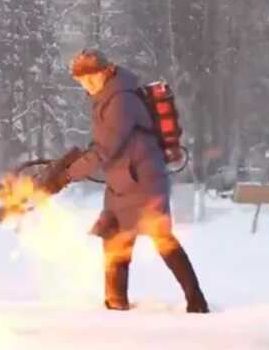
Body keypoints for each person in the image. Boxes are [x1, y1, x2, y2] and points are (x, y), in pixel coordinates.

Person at [45, 49, 209, 313]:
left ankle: (196, 300)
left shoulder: (121, 99)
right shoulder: (105, 99)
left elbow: (105, 149)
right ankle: (116, 303)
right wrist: (63, 167)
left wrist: (64, 177)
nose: (87, 85)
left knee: (161, 237)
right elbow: (101, 144)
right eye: (81, 81)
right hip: (121, 182)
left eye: (91, 78)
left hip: (144, 181)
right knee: (113, 237)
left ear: (105, 71)